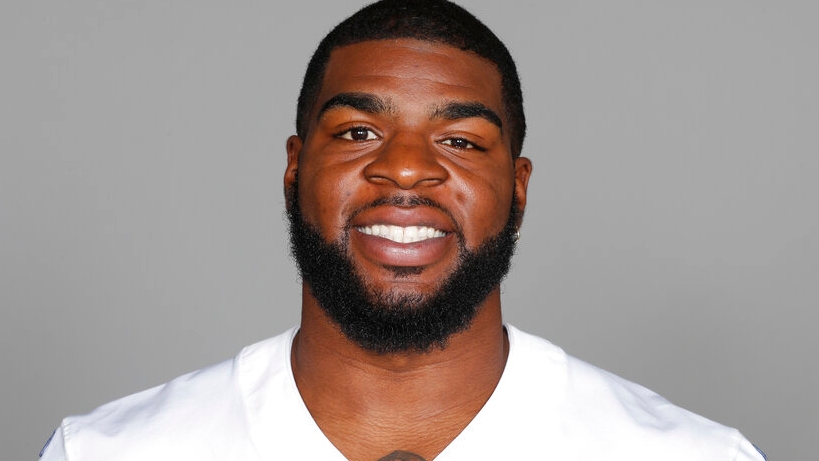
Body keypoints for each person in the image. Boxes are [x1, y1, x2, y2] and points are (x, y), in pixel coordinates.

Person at [39, 1, 765, 460]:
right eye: (358, 131)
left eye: (461, 141)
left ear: (517, 187)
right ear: (295, 168)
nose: (407, 169)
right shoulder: (107, 452)